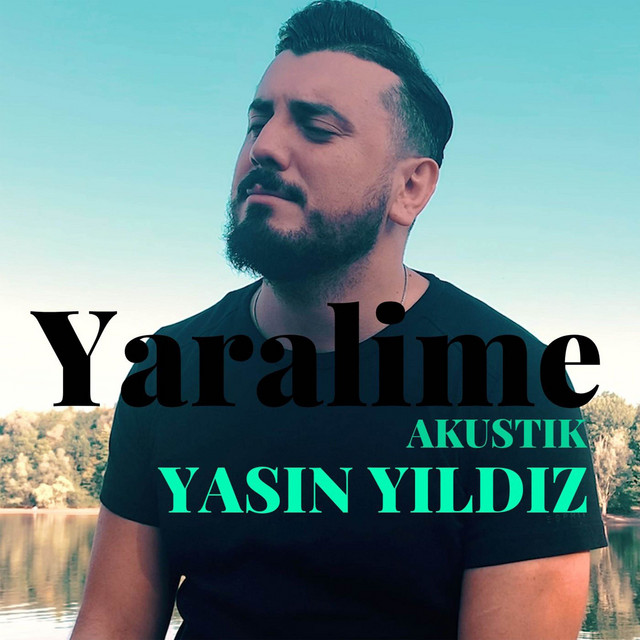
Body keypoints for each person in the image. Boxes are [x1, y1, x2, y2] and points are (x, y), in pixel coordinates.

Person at [72, 1, 606, 638]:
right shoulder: (169, 369)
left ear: (411, 188)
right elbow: (109, 625)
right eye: (256, 122)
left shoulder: (516, 390)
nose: (265, 147)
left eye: (317, 128)